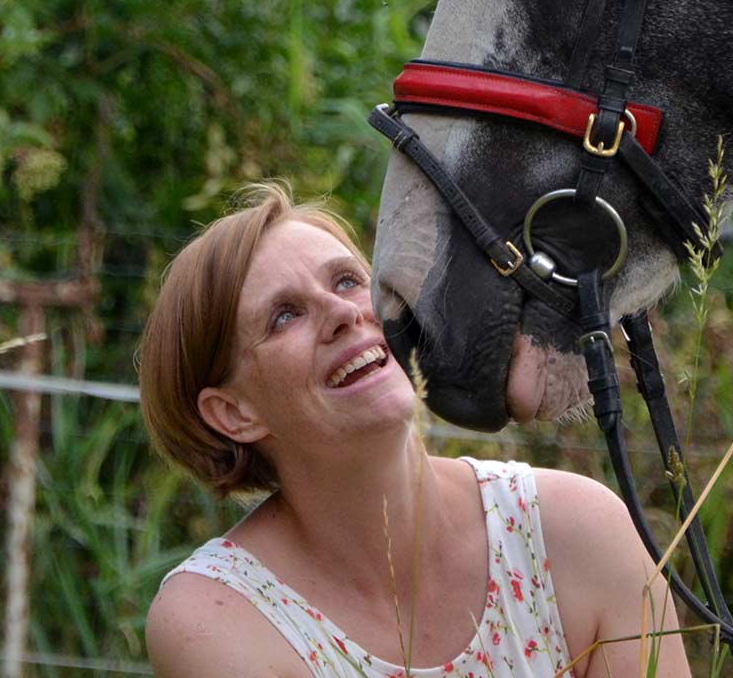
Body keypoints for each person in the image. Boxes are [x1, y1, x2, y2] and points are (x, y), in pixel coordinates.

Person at [138, 181, 691, 678]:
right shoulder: (216, 615)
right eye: (285, 315)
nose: (343, 312)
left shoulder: (574, 533)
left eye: (349, 280)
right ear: (233, 412)